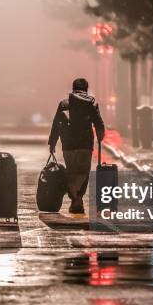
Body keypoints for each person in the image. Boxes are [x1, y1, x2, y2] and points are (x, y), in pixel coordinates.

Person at [48, 78, 105, 214]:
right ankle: (77, 199)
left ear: (73, 89)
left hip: (68, 145)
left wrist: (52, 142)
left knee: (72, 171)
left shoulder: (64, 104)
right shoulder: (91, 103)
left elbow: (56, 124)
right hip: (85, 144)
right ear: (86, 89)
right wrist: (100, 137)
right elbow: (99, 123)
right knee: (83, 173)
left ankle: (75, 200)